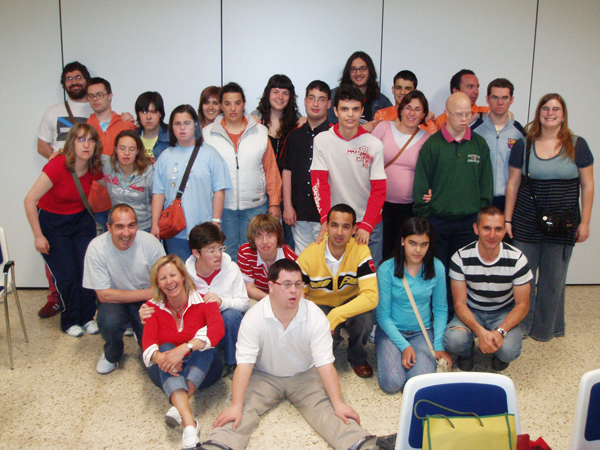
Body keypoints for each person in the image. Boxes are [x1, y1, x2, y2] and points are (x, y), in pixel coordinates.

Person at [200, 259, 395, 450]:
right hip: (263, 375)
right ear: (271, 286)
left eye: (298, 284)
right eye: (286, 284)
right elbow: (244, 365)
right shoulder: (254, 317)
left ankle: (366, 445)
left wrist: (339, 403)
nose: (293, 290)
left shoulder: (315, 315)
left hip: (305, 374)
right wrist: (235, 405)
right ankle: (216, 446)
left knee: (331, 411)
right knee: (238, 409)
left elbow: (325, 364)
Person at [504, 93, 594, 342]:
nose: (550, 113)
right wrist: (508, 220)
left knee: (554, 279)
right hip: (525, 222)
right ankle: (520, 327)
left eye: (556, 109)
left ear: (563, 114)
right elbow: (513, 184)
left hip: (563, 225)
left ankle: (546, 329)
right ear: (538, 113)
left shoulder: (577, 145)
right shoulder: (524, 145)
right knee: (523, 279)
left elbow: (588, 185)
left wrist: (585, 222)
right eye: (545, 108)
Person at [412, 92, 493, 313]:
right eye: (458, 114)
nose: (464, 119)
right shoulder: (432, 145)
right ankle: (436, 316)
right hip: (437, 221)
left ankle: (460, 317)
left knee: (463, 274)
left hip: (468, 224)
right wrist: (425, 215)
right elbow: (421, 183)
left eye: (468, 113)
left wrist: (482, 220)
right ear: (447, 114)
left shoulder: (479, 145)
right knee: (436, 273)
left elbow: (486, 186)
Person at [24, 123, 104, 337]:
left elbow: (110, 185)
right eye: (80, 139)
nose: (86, 145)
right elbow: (30, 200)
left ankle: (87, 317)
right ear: (71, 143)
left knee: (86, 272)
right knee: (67, 276)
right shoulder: (58, 165)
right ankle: (70, 320)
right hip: (53, 224)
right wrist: (38, 236)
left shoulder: (94, 166)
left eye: (91, 140)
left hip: (80, 222)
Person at [140, 222, 248, 378]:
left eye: (220, 248)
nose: (218, 254)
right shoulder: (185, 273)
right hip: (198, 328)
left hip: (223, 321)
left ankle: (232, 362)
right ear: (196, 253)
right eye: (211, 251)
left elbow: (243, 303)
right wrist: (146, 309)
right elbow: (167, 294)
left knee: (231, 316)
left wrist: (222, 302)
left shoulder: (231, 268)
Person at [142, 255, 225, 450]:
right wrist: (162, 357)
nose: (169, 281)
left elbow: (217, 330)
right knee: (164, 348)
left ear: (183, 276)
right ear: (158, 284)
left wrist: (185, 348)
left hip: (205, 369)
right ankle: (190, 423)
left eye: (173, 275)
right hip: (167, 368)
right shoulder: (152, 307)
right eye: (163, 278)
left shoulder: (206, 300)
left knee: (206, 345)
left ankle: (180, 404)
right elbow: (147, 344)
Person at [443, 206, 532, 371]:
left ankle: (499, 353)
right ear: (476, 229)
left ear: (504, 230)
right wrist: (480, 331)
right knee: (453, 340)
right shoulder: (460, 257)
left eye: (498, 229)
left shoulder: (517, 259)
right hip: (472, 310)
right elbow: (460, 304)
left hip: (502, 312)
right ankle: (467, 351)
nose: (492, 235)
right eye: (486, 228)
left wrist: (500, 331)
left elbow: (522, 305)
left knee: (509, 351)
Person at [36, 61, 92, 318]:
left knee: (84, 264)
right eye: (69, 78)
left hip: (82, 204)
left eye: (78, 77)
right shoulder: (53, 111)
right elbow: (42, 146)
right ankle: (58, 301)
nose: (74, 81)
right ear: (64, 84)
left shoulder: (95, 107)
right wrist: (59, 158)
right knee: (62, 266)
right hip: (58, 189)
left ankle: (86, 311)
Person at [202, 82, 282, 261]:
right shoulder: (207, 135)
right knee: (225, 255)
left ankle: (252, 289)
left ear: (244, 103)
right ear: (221, 105)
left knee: (255, 254)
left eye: (237, 103)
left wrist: (275, 203)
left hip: (255, 206)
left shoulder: (260, 132)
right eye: (228, 103)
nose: (233, 108)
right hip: (223, 208)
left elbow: (271, 170)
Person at [83, 204, 165, 374]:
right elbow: (104, 295)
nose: (126, 233)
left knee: (150, 356)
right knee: (109, 322)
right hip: (114, 301)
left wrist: (150, 295)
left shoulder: (150, 243)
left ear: (137, 225)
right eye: (119, 226)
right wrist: (148, 292)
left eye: (131, 226)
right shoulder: (96, 247)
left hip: (143, 300)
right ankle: (112, 355)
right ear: (109, 227)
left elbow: (164, 280)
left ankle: (141, 336)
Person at [298, 204, 378, 379]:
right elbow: (298, 296)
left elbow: (371, 297)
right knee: (322, 340)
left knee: (365, 320)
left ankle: (357, 356)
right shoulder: (308, 256)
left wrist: (335, 316)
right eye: (334, 225)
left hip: (350, 302)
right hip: (320, 305)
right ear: (326, 227)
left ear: (354, 230)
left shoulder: (361, 251)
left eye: (346, 226)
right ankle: (323, 355)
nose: (339, 232)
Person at [311, 85, 387, 267]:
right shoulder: (322, 140)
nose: (350, 115)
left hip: (369, 223)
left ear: (362, 110)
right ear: (335, 110)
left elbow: (379, 190)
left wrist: (367, 225)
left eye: (355, 109)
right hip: (337, 223)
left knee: (369, 276)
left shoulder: (374, 144)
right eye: (344, 109)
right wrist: (326, 221)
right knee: (338, 275)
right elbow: (320, 184)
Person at [376, 217, 451, 393]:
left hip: (422, 332)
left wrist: (439, 346)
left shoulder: (437, 267)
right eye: (412, 243)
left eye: (424, 244)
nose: (418, 250)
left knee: (419, 385)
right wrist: (405, 346)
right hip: (391, 331)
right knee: (392, 383)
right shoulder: (386, 269)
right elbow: (383, 316)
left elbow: (440, 310)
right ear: (402, 241)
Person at [151, 104, 231, 261]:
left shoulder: (210, 154)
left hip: (204, 228)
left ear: (195, 125)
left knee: (205, 274)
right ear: (171, 127)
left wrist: (216, 221)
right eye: (177, 123)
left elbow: (219, 190)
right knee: (180, 274)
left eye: (186, 123)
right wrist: (155, 224)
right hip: (175, 230)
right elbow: (158, 193)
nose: (182, 128)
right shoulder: (165, 157)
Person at [372, 90, 431, 261]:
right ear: (400, 109)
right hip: (379, 203)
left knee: (401, 252)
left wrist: (431, 191)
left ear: (424, 114)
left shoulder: (427, 139)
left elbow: (432, 172)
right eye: (408, 107)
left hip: (409, 207)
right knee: (378, 250)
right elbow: (365, 160)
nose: (412, 113)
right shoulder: (383, 127)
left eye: (418, 109)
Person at [282, 80, 331, 253]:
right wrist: (287, 205)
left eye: (321, 99)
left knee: (326, 260)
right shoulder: (294, 136)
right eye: (311, 98)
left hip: (327, 214)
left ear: (329, 104)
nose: (315, 104)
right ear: (304, 101)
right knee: (302, 260)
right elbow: (286, 171)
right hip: (298, 212)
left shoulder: (334, 135)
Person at [86, 77, 136, 229]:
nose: (95, 99)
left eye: (100, 94)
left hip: (125, 199)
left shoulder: (126, 125)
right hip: (97, 202)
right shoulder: (85, 129)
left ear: (110, 95)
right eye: (91, 96)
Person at [471, 78, 525, 210]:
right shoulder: (475, 129)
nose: (500, 102)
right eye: (495, 97)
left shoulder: (520, 133)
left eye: (505, 98)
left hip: (510, 199)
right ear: (487, 98)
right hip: (479, 198)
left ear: (511, 100)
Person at [99, 130, 153, 232]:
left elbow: (158, 199)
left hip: (144, 227)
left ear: (137, 151)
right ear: (115, 149)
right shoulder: (107, 164)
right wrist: (61, 152)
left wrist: (155, 226)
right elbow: (86, 157)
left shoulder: (149, 171)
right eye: (122, 148)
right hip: (118, 228)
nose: (126, 153)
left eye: (131, 149)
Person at [327, 51, 392, 132]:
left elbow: (390, 130)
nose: (358, 73)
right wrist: (363, 128)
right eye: (353, 69)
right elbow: (327, 127)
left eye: (363, 68)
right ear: (348, 72)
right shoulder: (334, 96)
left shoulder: (382, 101)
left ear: (370, 71)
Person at [237, 214, 297, 301]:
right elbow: (249, 288)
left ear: (278, 236)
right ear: (253, 239)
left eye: (270, 235)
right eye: (259, 236)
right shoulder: (245, 252)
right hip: (257, 296)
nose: (265, 242)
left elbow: (293, 289)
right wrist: (270, 300)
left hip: (282, 296)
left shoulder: (289, 257)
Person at [134, 91, 170, 163]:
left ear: (160, 113)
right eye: (144, 112)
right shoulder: (133, 138)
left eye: (153, 112)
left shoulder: (171, 136)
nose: (148, 117)